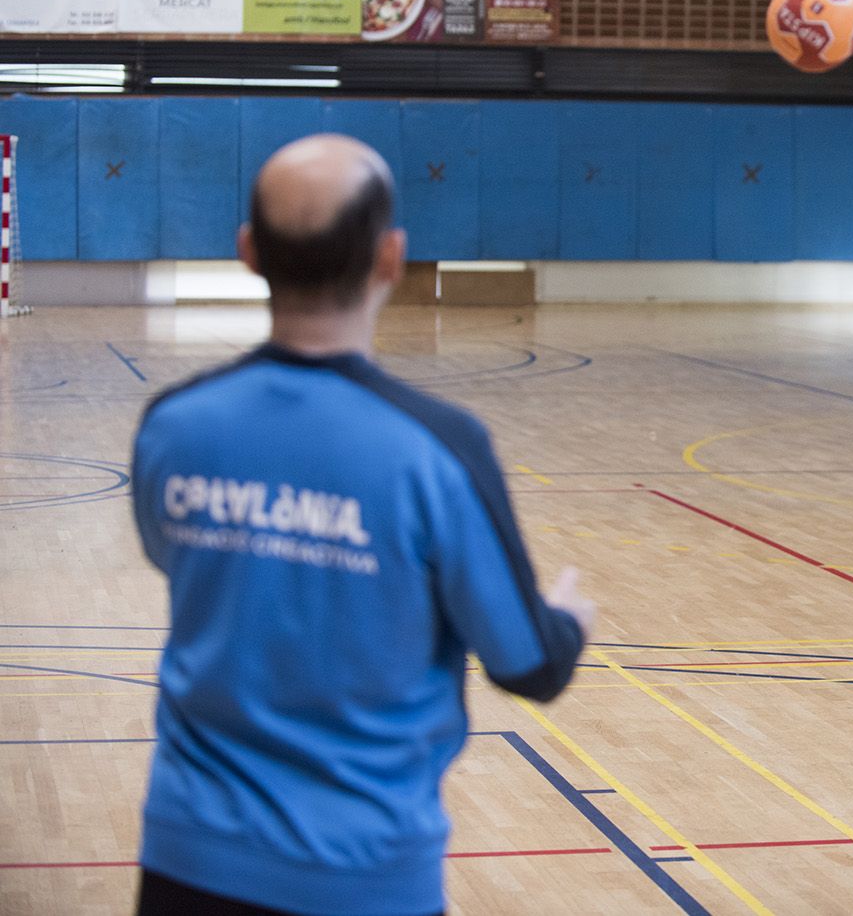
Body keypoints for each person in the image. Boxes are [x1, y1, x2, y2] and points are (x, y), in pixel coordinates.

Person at [130, 134, 595, 916]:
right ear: (390, 258)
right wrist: (569, 624)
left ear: (249, 253)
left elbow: (167, 555)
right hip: (367, 878)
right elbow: (529, 665)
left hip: (184, 866)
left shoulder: (172, 426)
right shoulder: (438, 450)